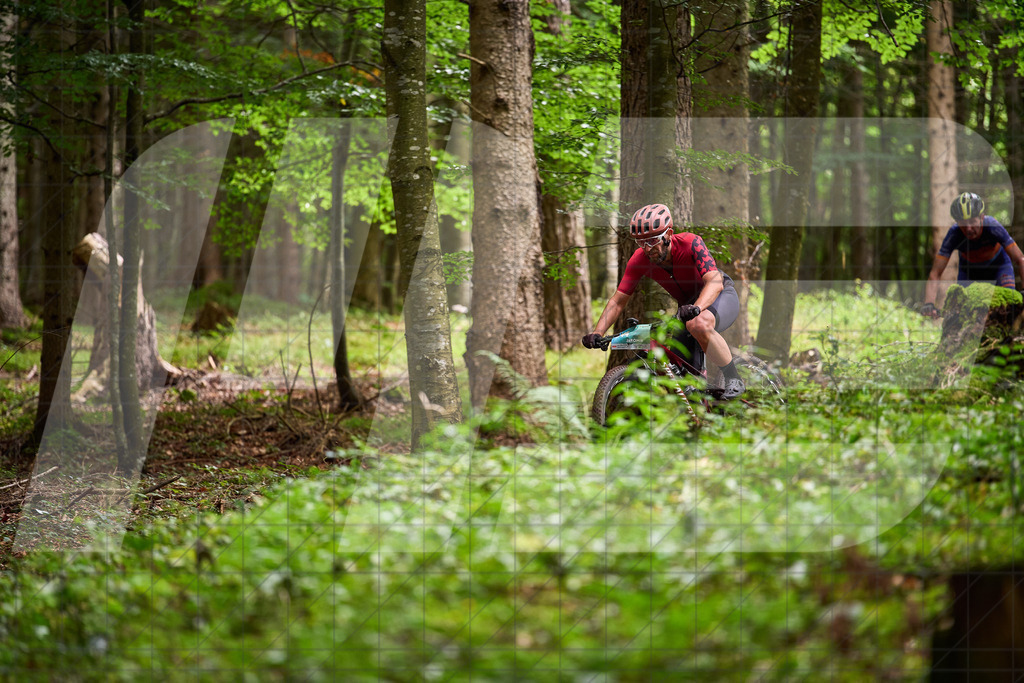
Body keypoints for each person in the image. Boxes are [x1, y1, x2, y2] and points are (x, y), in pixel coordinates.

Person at [582, 203, 745, 400]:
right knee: (683, 379)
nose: (647, 248)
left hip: (719, 295)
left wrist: (697, 307)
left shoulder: (690, 243)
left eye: (652, 240)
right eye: (641, 242)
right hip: (688, 310)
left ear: (669, 234)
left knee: (698, 323)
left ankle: (734, 378)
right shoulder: (639, 259)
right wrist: (598, 332)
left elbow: (714, 281)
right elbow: (618, 300)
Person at [922, 192, 1024, 318]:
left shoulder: (992, 226)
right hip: (969, 271)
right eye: (963, 224)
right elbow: (935, 273)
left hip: (999, 267)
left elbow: (1020, 259)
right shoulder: (954, 234)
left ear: (982, 217)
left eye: (972, 221)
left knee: (1008, 307)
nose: (968, 228)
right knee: (962, 312)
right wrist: (929, 303)